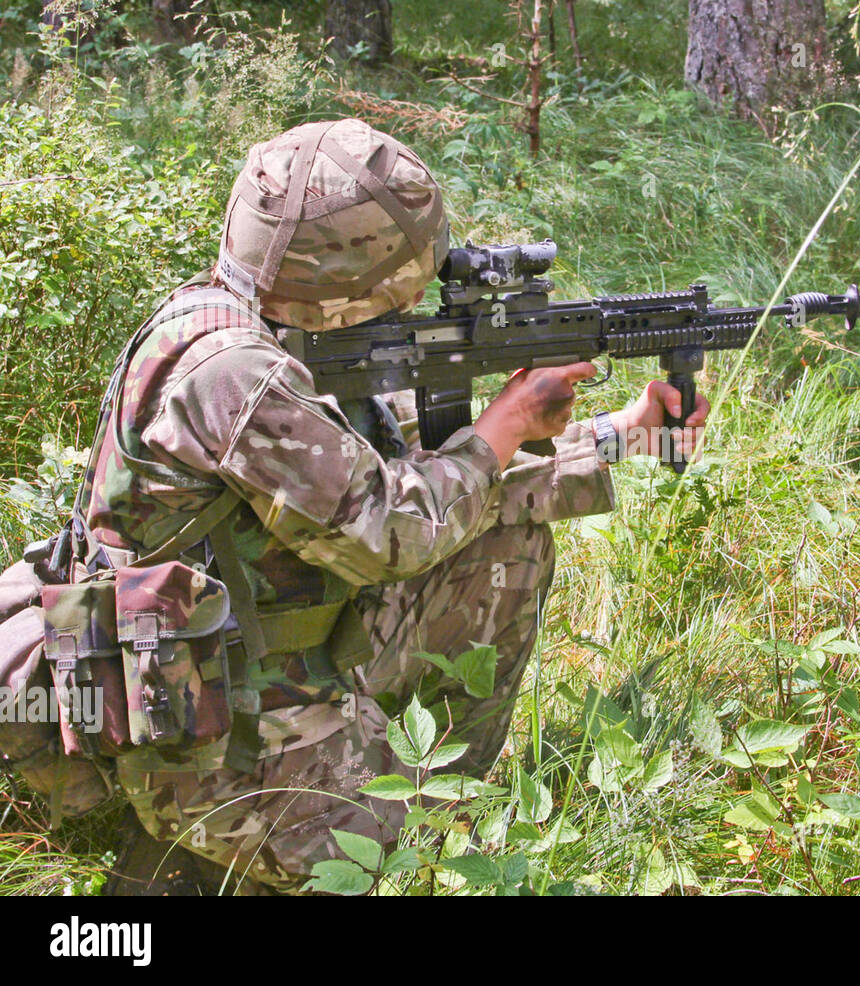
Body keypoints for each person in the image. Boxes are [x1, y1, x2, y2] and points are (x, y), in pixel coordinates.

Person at [89, 117, 710, 894]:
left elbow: (429, 478)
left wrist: (624, 434)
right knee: (403, 870)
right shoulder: (235, 376)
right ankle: (190, 850)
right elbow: (388, 534)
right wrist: (507, 421)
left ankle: (436, 787)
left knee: (504, 546)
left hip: (274, 655)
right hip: (204, 716)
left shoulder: (281, 332)